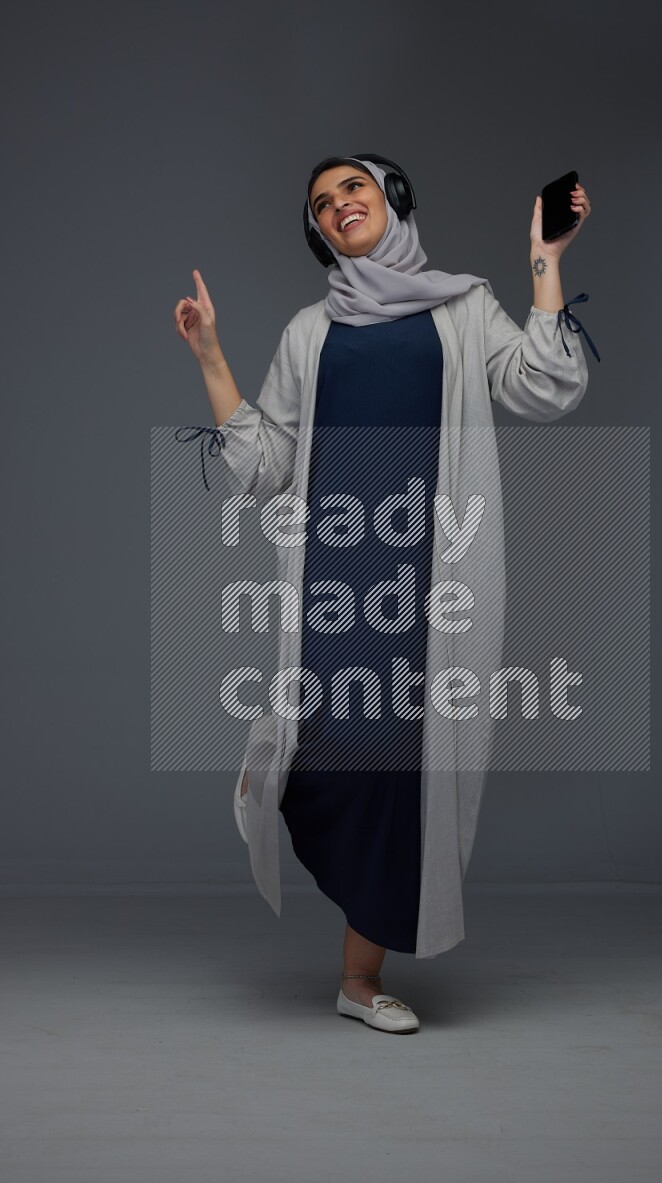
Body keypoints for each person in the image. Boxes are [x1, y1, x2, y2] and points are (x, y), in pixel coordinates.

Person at [173, 153, 596, 1033]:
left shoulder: (462, 309)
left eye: (353, 188)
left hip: (434, 582)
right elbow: (265, 467)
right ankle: (277, 770)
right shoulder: (309, 333)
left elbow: (545, 384)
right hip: (337, 579)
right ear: (320, 233)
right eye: (324, 204)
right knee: (335, 746)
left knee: (405, 773)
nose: (340, 206)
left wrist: (546, 259)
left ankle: (358, 980)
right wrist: (211, 355)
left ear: (392, 199)